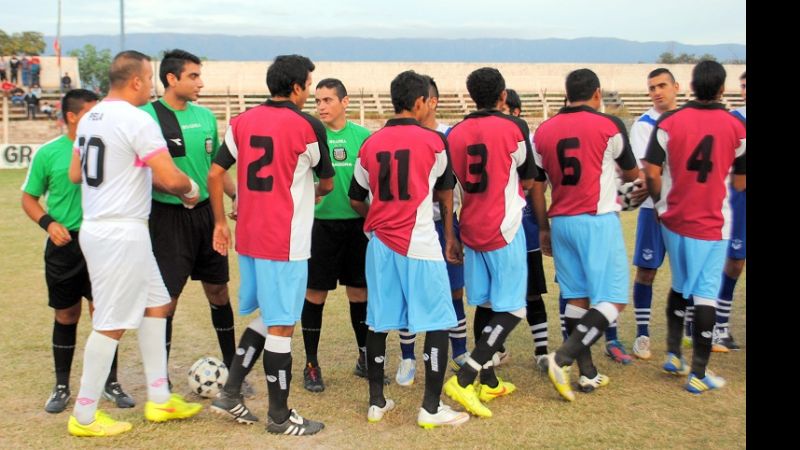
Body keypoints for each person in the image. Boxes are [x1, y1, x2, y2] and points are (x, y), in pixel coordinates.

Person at [66, 50, 203, 437]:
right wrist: (190, 190)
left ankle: (159, 398)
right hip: (120, 231)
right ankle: (85, 414)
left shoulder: (92, 115)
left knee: (157, 304)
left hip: (107, 227)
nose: (153, 85)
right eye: (150, 78)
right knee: (110, 323)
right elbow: (172, 177)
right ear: (138, 81)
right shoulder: (137, 119)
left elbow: (77, 173)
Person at [208, 54, 333, 436]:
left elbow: (215, 172)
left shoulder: (242, 121)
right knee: (281, 325)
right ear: (296, 87)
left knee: (269, 317)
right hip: (285, 240)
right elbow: (326, 183)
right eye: (309, 85)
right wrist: (308, 197)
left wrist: (219, 222)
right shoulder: (307, 126)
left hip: (250, 237)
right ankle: (279, 416)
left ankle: (230, 393)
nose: (310, 92)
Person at [349, 70, 469, 428]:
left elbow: (356, 197)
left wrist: (380, 218)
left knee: (378, 321)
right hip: (419, 242)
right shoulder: (433, 141)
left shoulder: (370, 143)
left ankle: (376, 402)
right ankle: (430, 408)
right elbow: (445, 195)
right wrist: (450, 237)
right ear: (419, 102)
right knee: (438, 322)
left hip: (381, 245)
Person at [21, 89, 135, 414]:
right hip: (65, 245)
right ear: (72, 116)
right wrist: (47, 223)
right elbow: (29, 198)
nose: (99, 119)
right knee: (66, 314)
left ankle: (110, 383)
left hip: (103, 241)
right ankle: (62, 386)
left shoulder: (111, 148)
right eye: (91, 112)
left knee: (104, 313)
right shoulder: (49, 153)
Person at [532, 68, 639, 402]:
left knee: (577, 298)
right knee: (614, 298)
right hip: (596, 219)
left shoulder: (544, 131)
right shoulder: (610, 125)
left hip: (561, 221)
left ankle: (588, 373)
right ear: (597, 93)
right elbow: (633, 175)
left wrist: (544, 227)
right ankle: (561, 359)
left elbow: (537, 186)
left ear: (566, 95)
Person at [140, 49, 241, 392]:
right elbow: (138, 169)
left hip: (207, 217)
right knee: (167, 298)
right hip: (167, 218)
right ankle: (160, 378)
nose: (201, 82)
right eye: (194, 76)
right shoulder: (147, 117)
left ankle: (234, 372)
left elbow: (216, 168)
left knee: (218, 290)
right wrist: (172, 185)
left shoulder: (205, 116)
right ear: (171, 79)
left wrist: (235, 195)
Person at [643, 60, 746, 393]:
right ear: (721, 89)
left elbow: (653, 171)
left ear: (690, 86)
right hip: (712, 223)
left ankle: (673, 354)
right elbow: (741, 183)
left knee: (679, 284)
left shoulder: (670, 121)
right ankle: (698, 375)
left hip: (674, 218)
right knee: (704, 296)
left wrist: (660, 205)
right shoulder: (736, 127)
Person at [444, 67, 538, 418]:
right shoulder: (512, 128)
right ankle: (467, 377)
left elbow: (449, 186)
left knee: (485, 304)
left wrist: (452, 234)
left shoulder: (454, 133)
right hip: (504, 228)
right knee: (513, 308)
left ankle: (490, 380)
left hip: (470, 226)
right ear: (503, 96)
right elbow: (528, 177)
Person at [395, 75, 470, 387]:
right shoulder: (400, 136)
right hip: (409, 227)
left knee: (453, 290)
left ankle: (461, 352)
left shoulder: (447, 136)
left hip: (442, 224)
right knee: (410, 293)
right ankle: (408, 358)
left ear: (431, 102)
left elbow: (455, 186)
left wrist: (454, 229)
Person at [299, 78, 373, 393]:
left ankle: (365, 357)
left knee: (359, 293)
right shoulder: (309, 137)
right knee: (315, 294)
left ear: (345, 102)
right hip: (319, 226)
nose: (322, 106)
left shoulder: (364, 138)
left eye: (328, 100)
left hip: (357, 225)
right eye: (317, 101)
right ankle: (311, 364)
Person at [623, 68, 681, 361]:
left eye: (662, 85)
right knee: (647, 270)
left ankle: (688, 328)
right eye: (652, 88)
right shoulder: (644, 125)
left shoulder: (688, 120)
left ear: (676, 87)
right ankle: (642, 333)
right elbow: (648, 171)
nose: (657, 92)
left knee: (687, 272)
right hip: (652, 209)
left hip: (685, 209)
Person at [502, 88, 551, 371]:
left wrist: (542, 226)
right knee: (498, 294)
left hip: (525, 223)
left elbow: (534, 185)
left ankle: (542, 350)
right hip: (497, 227)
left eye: (506, 109)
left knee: (533, 291)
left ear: (516, 112)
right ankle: (498, 348)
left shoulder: (526, 142)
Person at [712, 70, 746, 352]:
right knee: (734, 262)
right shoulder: (735, 120)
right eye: (743, 86)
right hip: (739, 199)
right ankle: (718, 326)